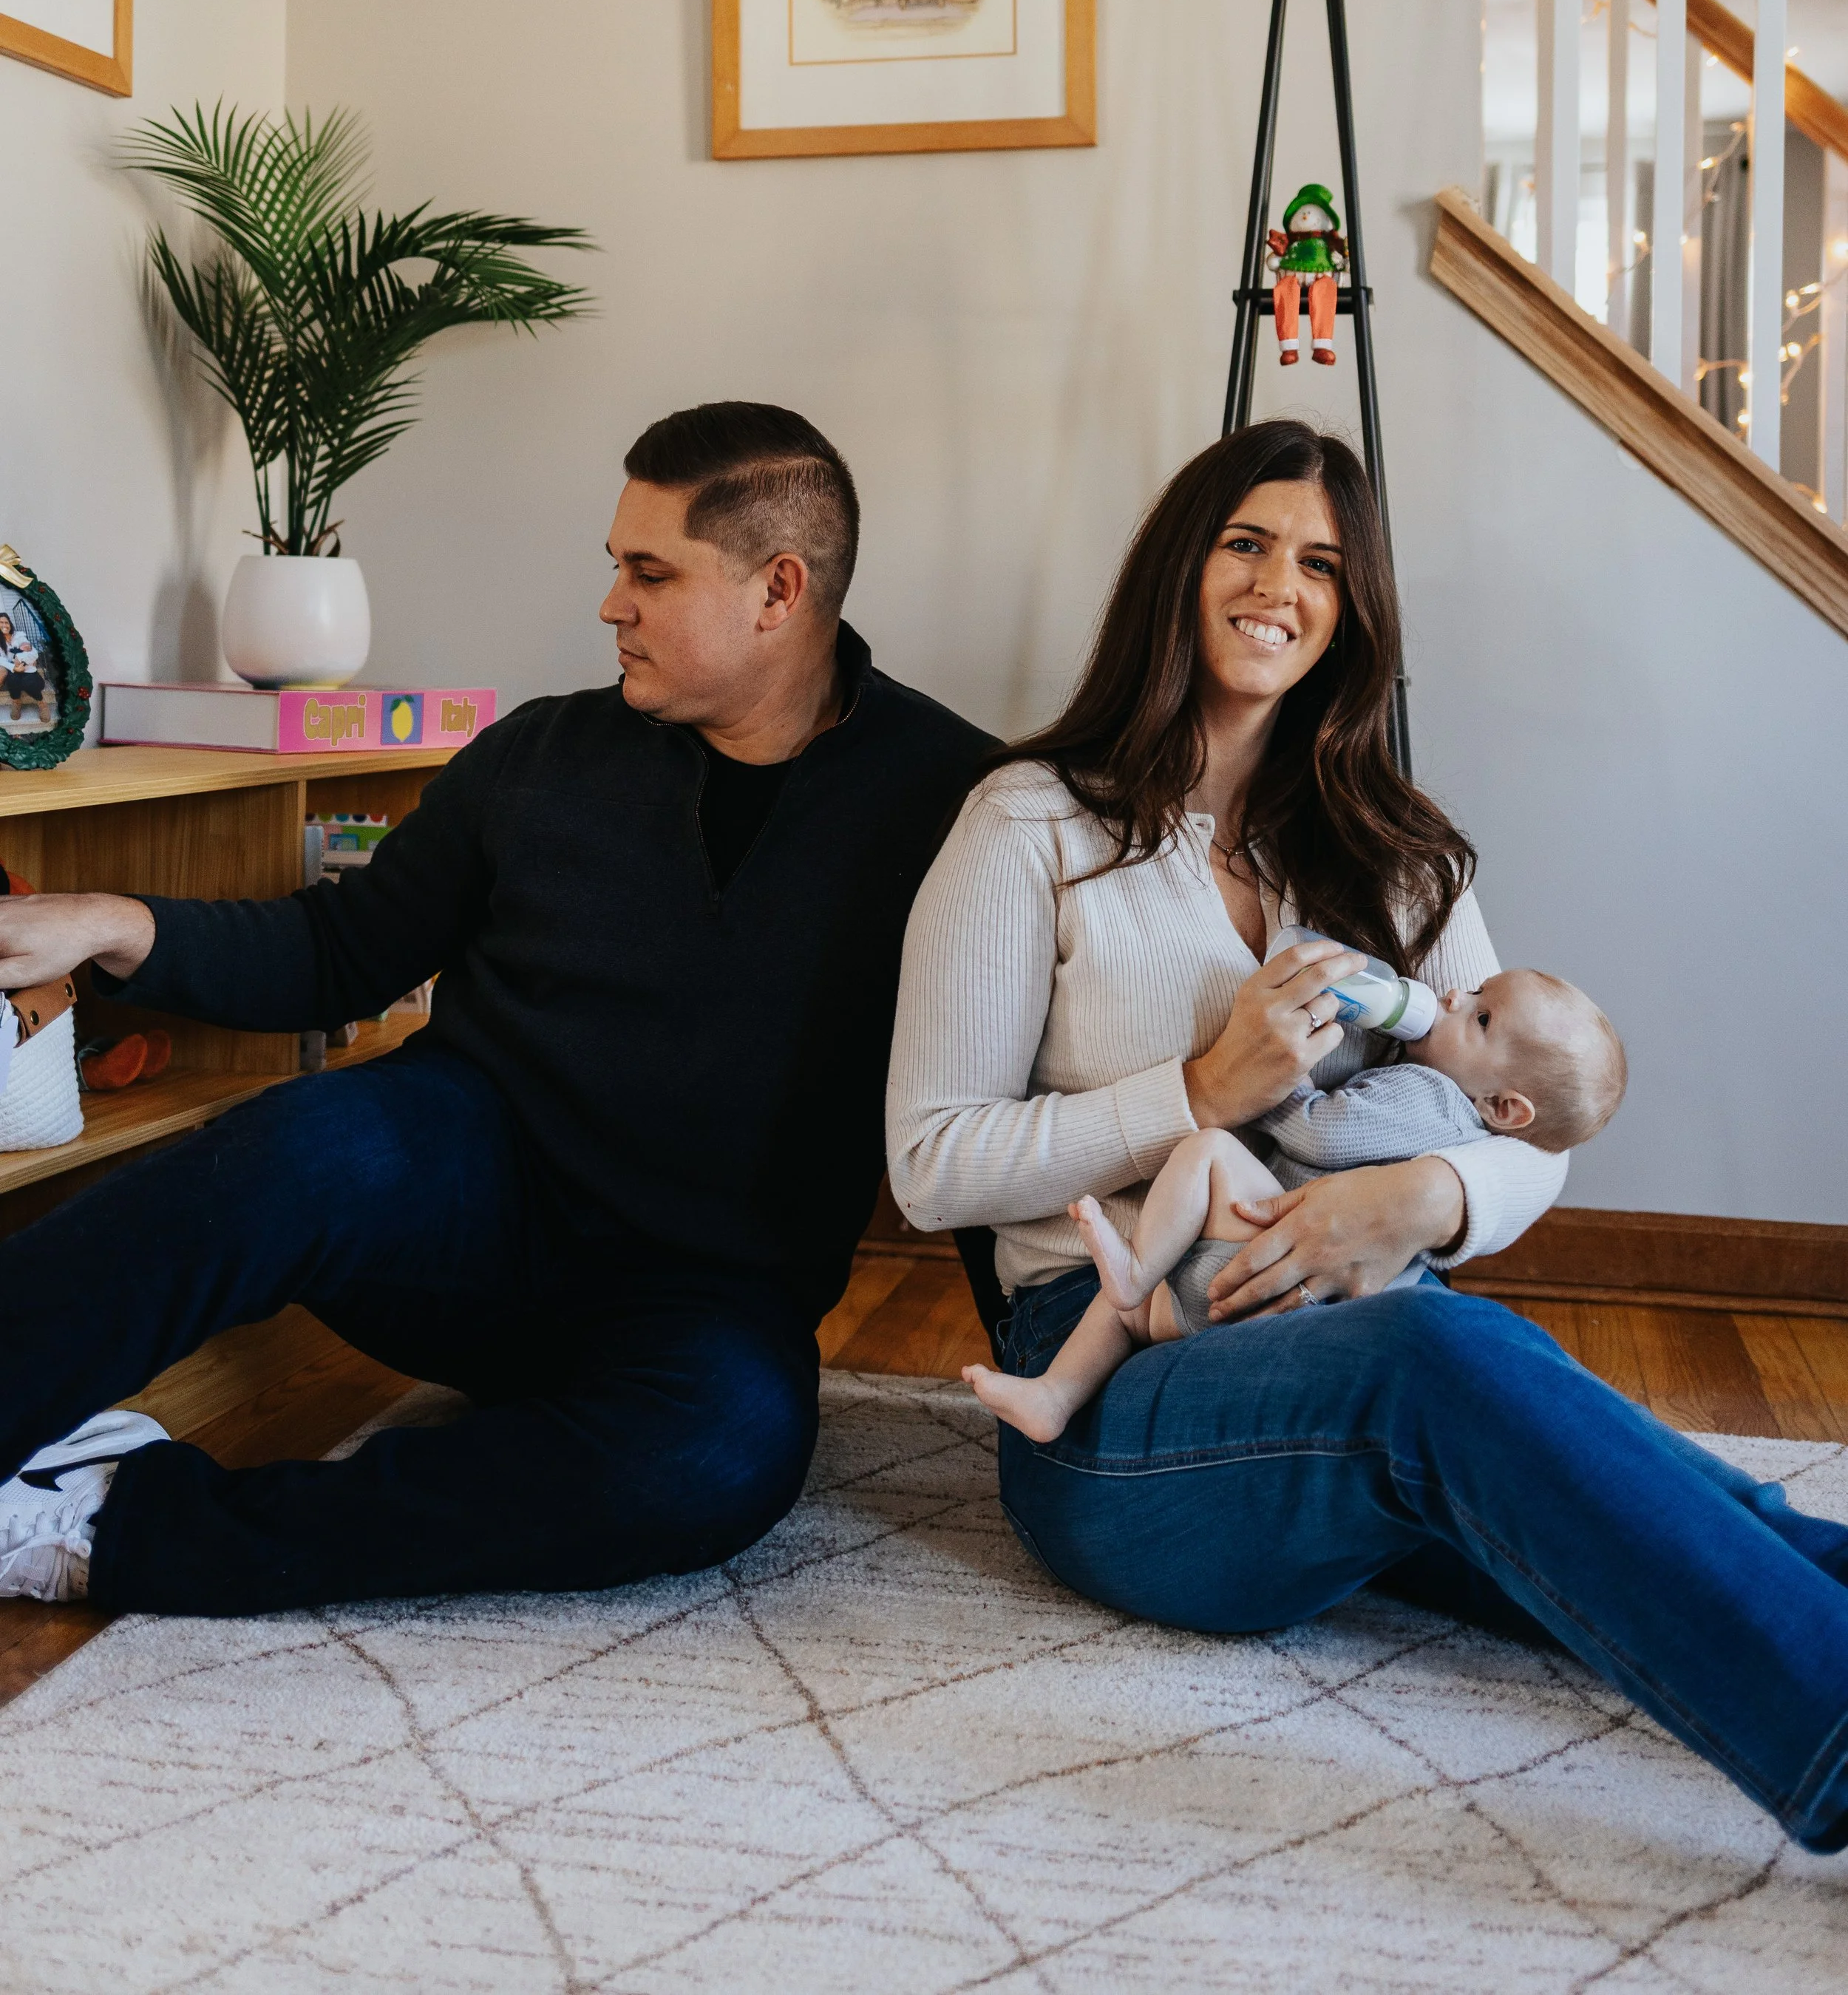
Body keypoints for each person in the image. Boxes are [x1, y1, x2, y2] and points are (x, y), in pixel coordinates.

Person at [888, 418, 1848, 1852]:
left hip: (1350, 1339)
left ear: (1352, 612)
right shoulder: (1029, 824)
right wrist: (1196, 1097)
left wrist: (1418, 1201)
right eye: (1246, 542)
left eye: (1321, 564)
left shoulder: (1388, 846)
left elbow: (1531, 1130)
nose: (1280, 583)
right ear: (1178, 565)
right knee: (1449, 1365)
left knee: (1619, 1480)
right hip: (1113, 1384)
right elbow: (930, 1166)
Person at [0, 403, 993, 1614]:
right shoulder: (540, 756)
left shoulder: (959, 807)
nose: (610, 604)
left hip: (701, 1298)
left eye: (650, 572)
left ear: (777, 591)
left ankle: (112, 1524)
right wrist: (115, 924)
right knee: (299, 1146)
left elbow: (997, 1099)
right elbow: (338, 951)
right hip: (458, 1209)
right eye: (614, 566)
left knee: (719, 1460)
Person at [966, 965, 1627, 1442]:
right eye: (1477, 989)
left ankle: (1111, 1309)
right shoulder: (1467, 1108)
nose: (1454, 992)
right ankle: (1054, 1394)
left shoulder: (1431, 1097)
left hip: (1261, 1254)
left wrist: (1278, 1076)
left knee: (1208, 1154)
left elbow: (1324, 1130)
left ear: (1506, 1108)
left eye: (1479, 1015)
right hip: (1292, 1295)